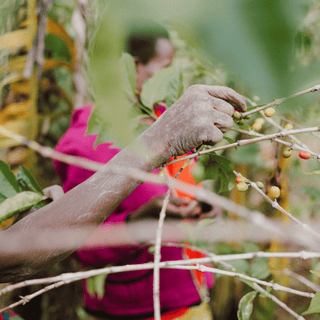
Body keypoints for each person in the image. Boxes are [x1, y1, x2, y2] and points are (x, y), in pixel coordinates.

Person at [51, 31, 241, 319]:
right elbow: (77, 242)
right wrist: (137, 223)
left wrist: (202, 205)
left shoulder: (169, 123)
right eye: (164, 67)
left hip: (190, 296)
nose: (171, 77)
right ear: (132, 68)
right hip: (134, 310)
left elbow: (181, 187)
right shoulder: (82, 144)